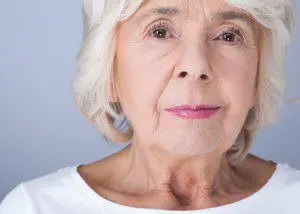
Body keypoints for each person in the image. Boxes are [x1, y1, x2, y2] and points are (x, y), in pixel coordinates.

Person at [1, 0, 300, 213]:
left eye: (229, 35)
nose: (195, 66)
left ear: (259, 76)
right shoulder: (35, 207)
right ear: (109, 70)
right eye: (160, 32)